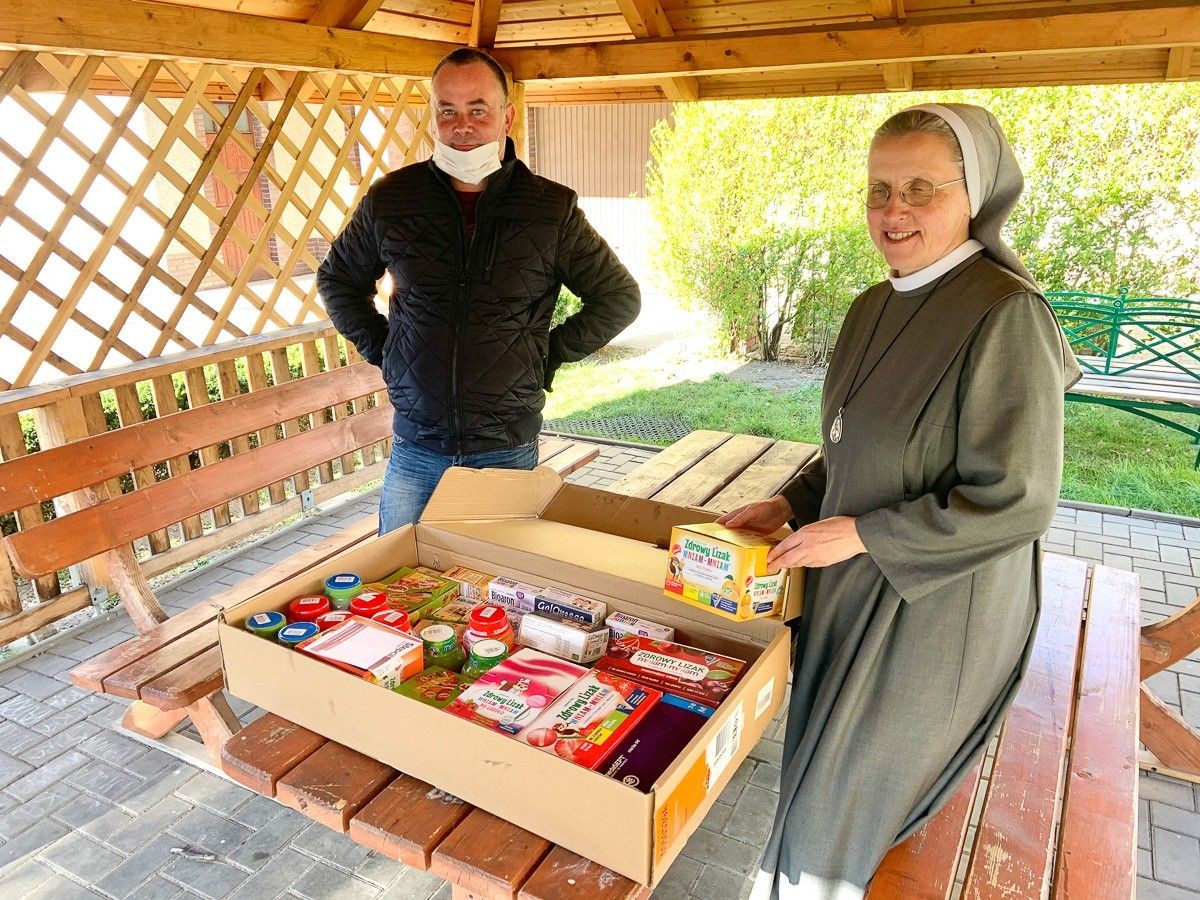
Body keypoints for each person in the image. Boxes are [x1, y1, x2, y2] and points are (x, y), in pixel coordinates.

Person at [720, 104, 1082, 899]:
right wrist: (790, 503)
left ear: (975, 196)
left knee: (832, 819)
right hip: (851, 583)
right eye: (879, 189)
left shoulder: (1005, 314)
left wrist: (862, 536)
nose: (894, 210)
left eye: (921, 188)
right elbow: (859, 446)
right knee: (817, 783)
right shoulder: (870, 307)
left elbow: (1019, 498)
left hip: (935, 615)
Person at [318, 48, 640, 533]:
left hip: (505, 447)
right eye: (447, 110)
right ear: (433, 116)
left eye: (478, 110)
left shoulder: (549, 209)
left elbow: (618, 297)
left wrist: (545, 354)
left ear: (506, 117)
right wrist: (387, 350)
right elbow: (338, 279)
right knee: (397, 569)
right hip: (417, 446)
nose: (462, 126)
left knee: (497, 573)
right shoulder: (393, 199)